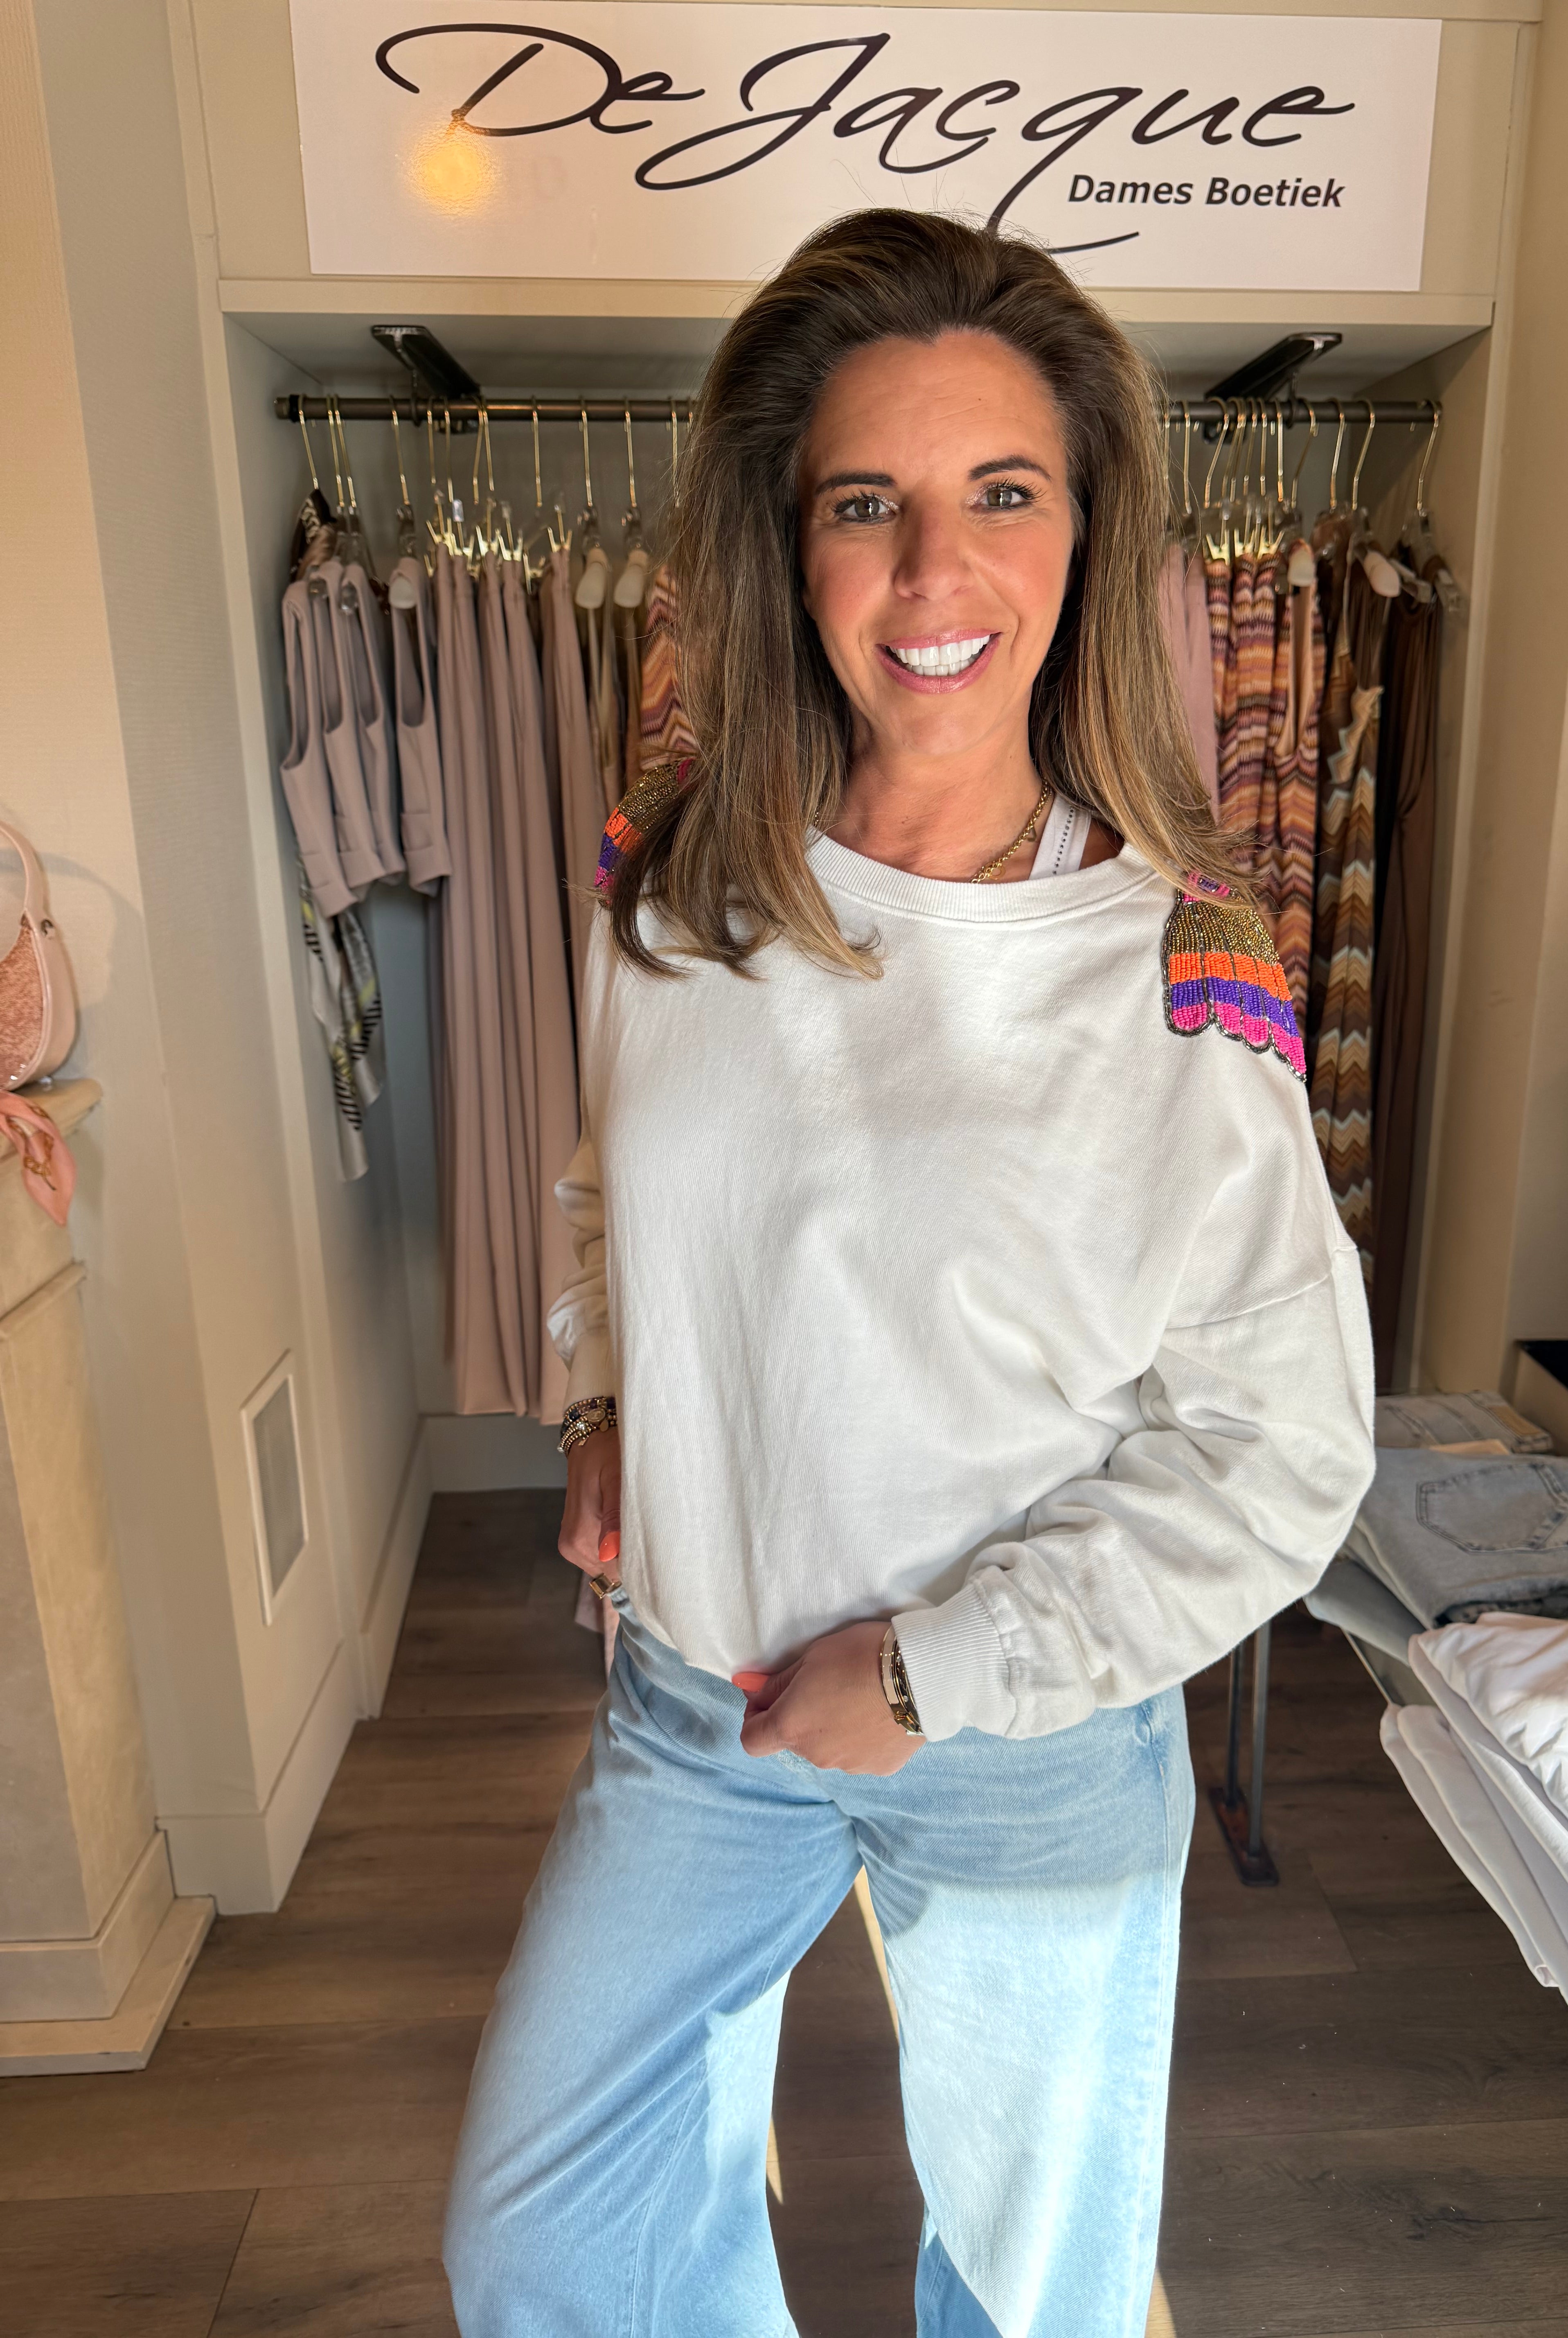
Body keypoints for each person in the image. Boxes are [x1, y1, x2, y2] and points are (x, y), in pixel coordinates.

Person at [443, 208, 1374, 2338]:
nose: (936, 572)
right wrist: (608, 1402)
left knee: (1040, 2297)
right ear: (789, 546)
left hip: (1028, 1744)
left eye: (1003, 493)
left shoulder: (1174, 968)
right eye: (867, 503)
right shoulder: (672, 888)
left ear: (1087, 533)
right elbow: (606, 1192)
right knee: (548, 2241)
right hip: (697, 1702)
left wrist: (943, 1669)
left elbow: (1285, 1452)